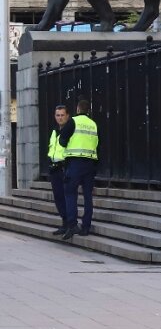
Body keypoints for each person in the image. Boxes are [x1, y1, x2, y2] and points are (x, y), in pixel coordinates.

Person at [61, 98, 99, 241]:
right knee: (88, 196)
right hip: (90, 164)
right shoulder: (93, 124)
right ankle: (86, 227)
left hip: (75, 163)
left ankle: (72, 224)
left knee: (70, 193)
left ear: (77, 109)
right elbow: (98, 144)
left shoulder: (73, 121)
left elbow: (62, 140)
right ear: (88, 110)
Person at [46, 105, 73, 235]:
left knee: (66, 197)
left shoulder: (70, 130)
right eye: (58, 115)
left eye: (62, 115)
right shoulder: (54, 131)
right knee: (58, 197)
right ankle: (64, 222)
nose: (60, 118)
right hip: (54, 168)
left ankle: (70, 224)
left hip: (64, 167)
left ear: (67, 116)